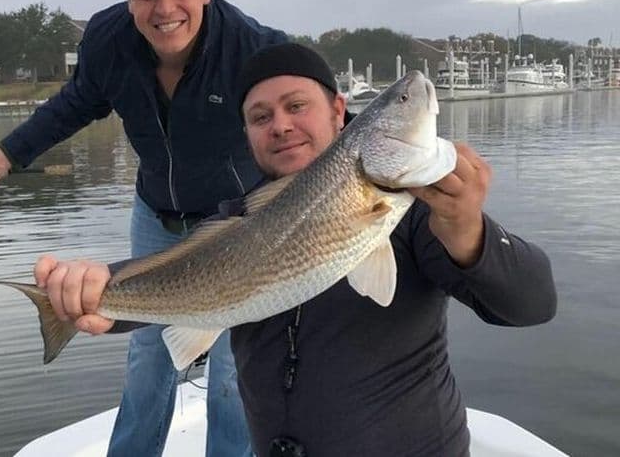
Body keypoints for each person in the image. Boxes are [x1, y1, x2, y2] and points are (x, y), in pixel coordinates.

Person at [35, 43, 557, 456]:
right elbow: (180, 274)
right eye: (260, 116)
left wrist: (469, 230)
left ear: (338, 110)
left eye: (296, 106)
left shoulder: (421, 214)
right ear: (246, 132)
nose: (280, 124)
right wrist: (92, 290)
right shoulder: (233, 221)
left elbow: (532, 303)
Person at [0, 0, 287, 454]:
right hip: (156, 217)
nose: (164, 7)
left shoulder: (254, 48)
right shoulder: (107, 39)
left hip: (238, 226)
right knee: (147, 360)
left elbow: (316, 117)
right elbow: (78, 101)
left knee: (235, 370)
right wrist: (6, 154)